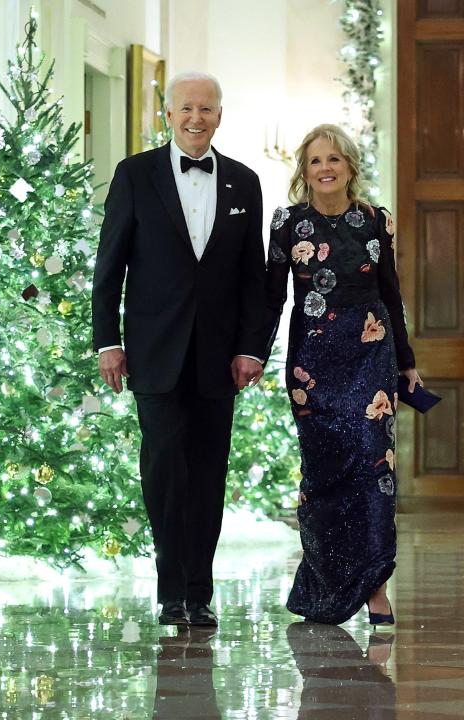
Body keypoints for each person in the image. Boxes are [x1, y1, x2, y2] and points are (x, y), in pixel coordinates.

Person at [92, 71, 269, 628]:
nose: (197, 118)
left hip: (219, 358)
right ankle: (172, 590)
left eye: (208, 109)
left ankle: (200, 592)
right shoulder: (134, 175)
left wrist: (250, 348)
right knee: (165, 471)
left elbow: (252, 279)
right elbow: (109, 266)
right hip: (155, 351)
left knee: (209, 472)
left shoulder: (244, 182)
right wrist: (107, 342)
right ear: (168, 114)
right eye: (187, 108)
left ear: (220, 116)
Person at [263, 124, 422, 626]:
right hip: (312, 361)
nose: (326, 168)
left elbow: (392, 294)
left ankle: (375, 587)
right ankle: (326, 586)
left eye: (335, 159)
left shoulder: (377, 221)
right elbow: (271, 299)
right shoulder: (287, 223)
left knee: (373, 471)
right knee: (324, 474)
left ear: (350, 166)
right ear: (304, 171)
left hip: (371, 355)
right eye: (315, 161)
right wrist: (250, 353)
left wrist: (406, 361)